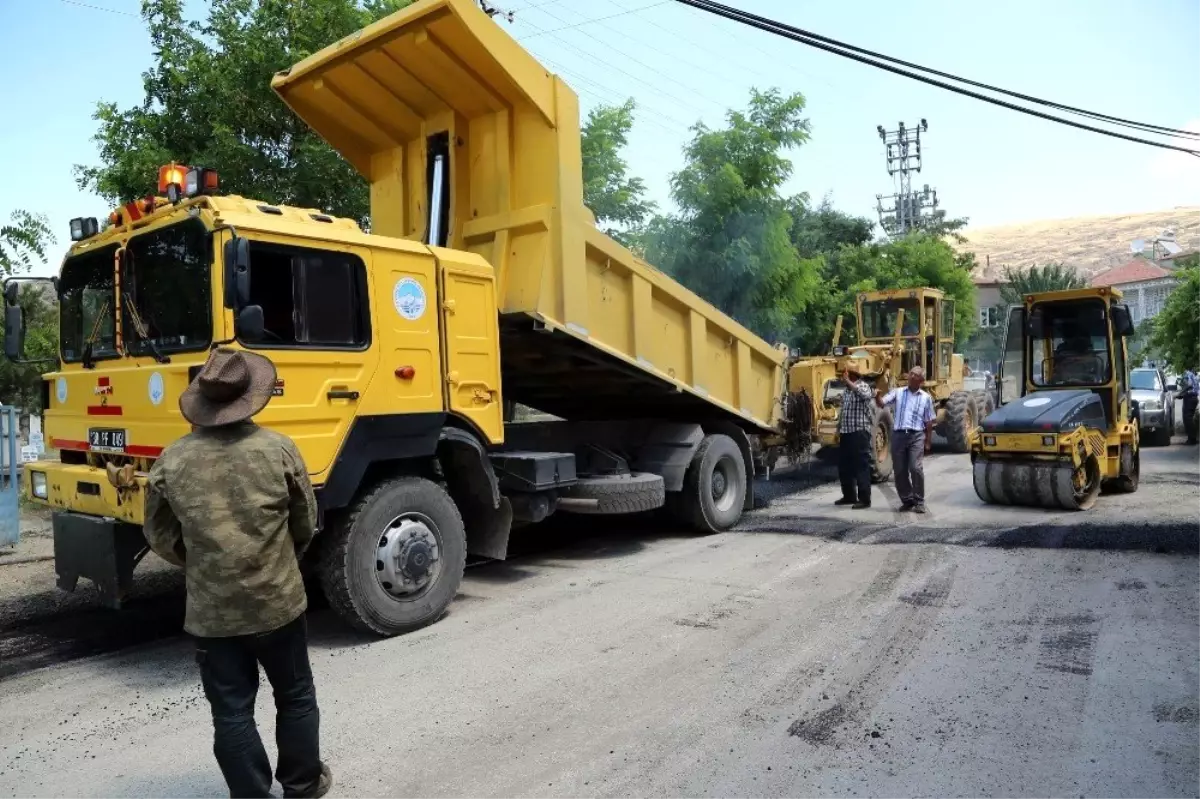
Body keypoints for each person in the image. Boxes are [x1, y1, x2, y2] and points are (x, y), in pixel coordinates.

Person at [143, 348, 331, 799]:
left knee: (231, 712)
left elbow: (160, 536)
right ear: (252, 398)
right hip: (278, 602)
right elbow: (305, 523)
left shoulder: (172, 460)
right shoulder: (279, 449)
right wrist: (278, 560)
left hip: (212, 614)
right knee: (296, 696)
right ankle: (303, 785)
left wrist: (203, 563)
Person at [876, 365, 935, 513]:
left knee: (915, 468)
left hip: (916, 436)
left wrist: (928, 441)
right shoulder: (898, 392)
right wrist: (877, 396)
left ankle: (919, 501)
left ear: (920, 380)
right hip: (899, 435)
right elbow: (882, 403)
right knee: (900, 470)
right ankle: (907, 500)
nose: (910, 376)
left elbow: (929, 421)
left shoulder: (926, 398)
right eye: (910, 373)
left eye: (914, 374)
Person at [834, 366, 876, 509]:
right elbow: (844, 412)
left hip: (859, 432)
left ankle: (864, 499)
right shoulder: (846, 391)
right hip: (846, 432)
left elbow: (865, 396)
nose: (842, 377)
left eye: (844, 374)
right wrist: (838, 429)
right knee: (844, 466)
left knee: (861, 466)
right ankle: (849, 495)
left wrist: (848, 382)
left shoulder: (863, 386)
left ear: (851, 375)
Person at [1181, 366, 1198, 445]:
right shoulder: (1194, 375)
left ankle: (1192, 439)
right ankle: (1192, 438)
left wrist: (1180, 393)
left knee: (1187, 419)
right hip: (1194, 398)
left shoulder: (1187, 374)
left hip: (1189, 398)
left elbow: (1189, 385)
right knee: (1190, 418)